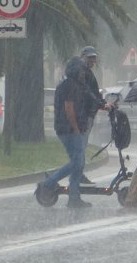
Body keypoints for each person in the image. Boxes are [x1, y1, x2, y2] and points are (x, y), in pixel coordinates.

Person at [37, 57, 93, 208]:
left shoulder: (73, 84)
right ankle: (48, 183)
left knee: (78, 163)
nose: (83, 73)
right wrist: (75, 128)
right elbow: (69, 109)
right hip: (69, 129)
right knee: (77, 162)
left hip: (71, 128)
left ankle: (74, 198)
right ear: (75, 70)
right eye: (81, 70)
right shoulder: (70, 86)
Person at [78, 46, 109, 183]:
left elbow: (94, 92)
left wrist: (104, 103)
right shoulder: (81, 73)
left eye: (93, 58)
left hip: (88, 114)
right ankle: (77, 175)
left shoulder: (88, 74)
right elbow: (87, 92)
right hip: (82, 116)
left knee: (82, 146)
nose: (92, 61)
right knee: (80, 147)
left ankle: (78, 173)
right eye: (89, 58)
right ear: (83, 57)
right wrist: (101, 103)